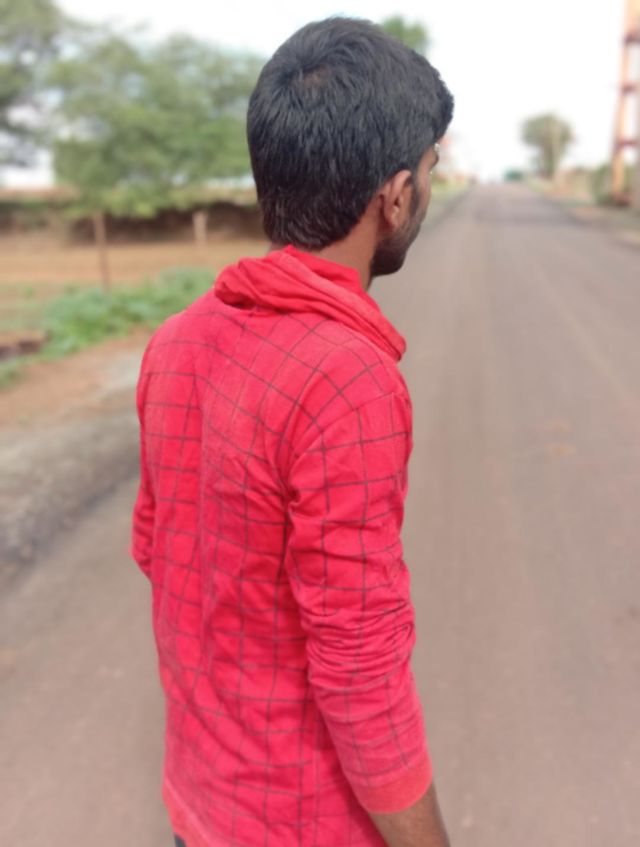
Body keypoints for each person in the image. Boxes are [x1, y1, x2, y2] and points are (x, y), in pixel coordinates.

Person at [131, 16, 454, 847]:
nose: (429, 186)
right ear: (395, 196)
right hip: (301, 824)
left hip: (197, 805)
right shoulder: (347, 379)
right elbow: (361, 670)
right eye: (431, 169)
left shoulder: (175, 339)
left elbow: (160, 550)